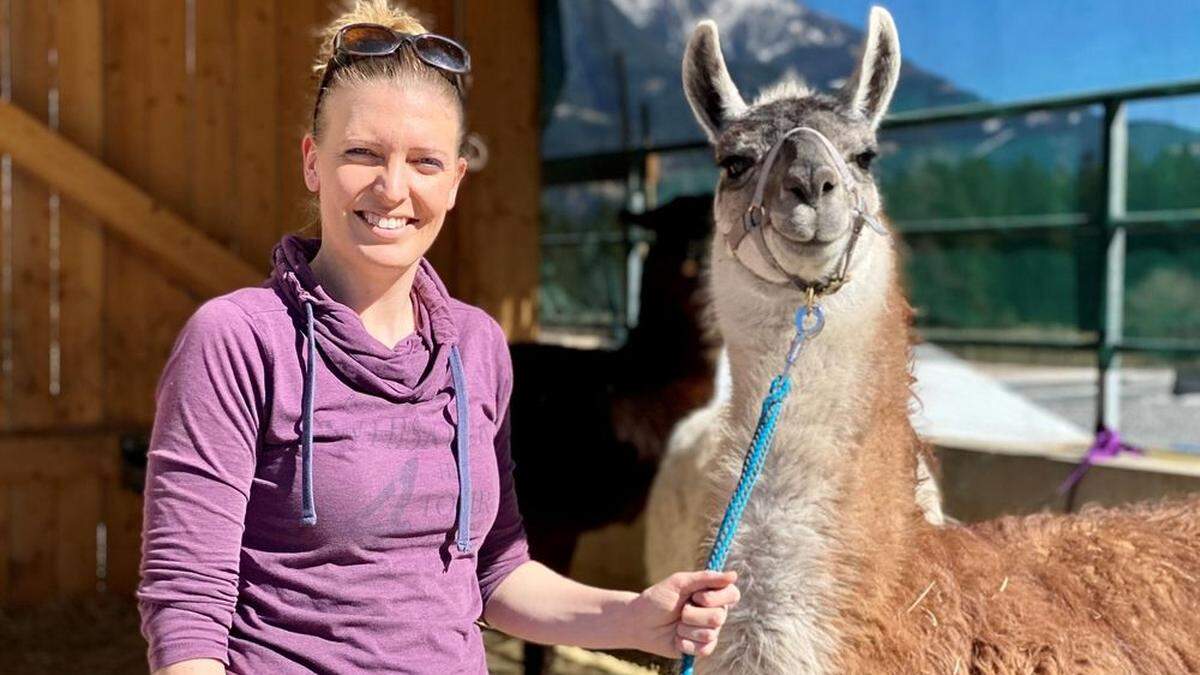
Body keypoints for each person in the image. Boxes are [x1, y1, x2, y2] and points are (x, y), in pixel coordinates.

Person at [135, 1, 739, 673]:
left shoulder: (476, 349)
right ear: (312, 162)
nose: (393, 188)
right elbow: (186, 603)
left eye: (424, 161)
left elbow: (497, 568)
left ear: (454, 181)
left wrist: (634, 615)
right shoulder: (237, 341)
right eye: (362, 154)